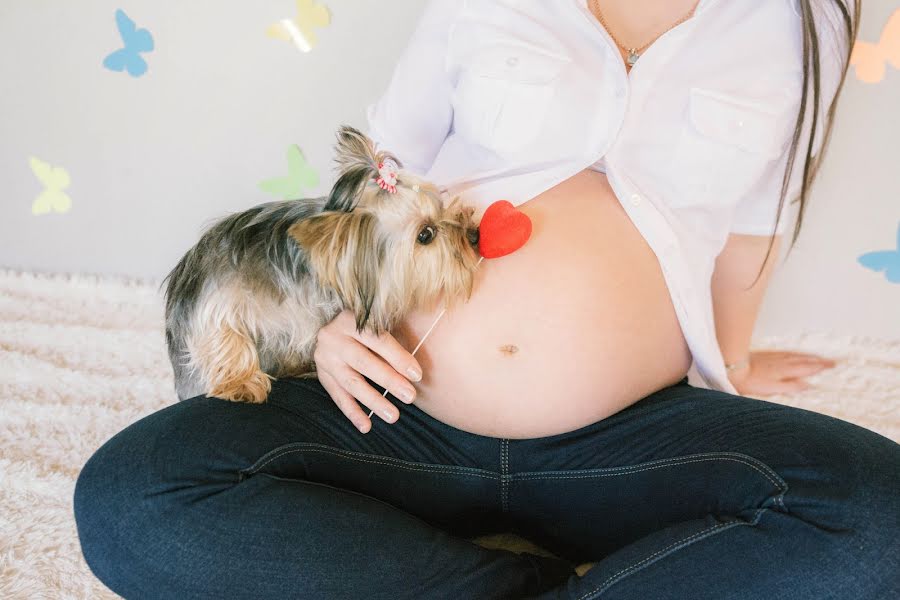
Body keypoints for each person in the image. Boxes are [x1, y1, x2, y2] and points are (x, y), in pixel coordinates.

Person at [74, 1, 900, 598]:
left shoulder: (804, 21)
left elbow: (756, 225)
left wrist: (736, 363)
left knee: (880, 515)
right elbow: (377, 180)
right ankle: (512, 588)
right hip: (394, 411)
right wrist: (330, 325)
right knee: (134, 493)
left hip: (627, 440)